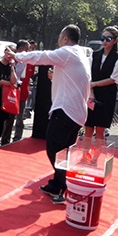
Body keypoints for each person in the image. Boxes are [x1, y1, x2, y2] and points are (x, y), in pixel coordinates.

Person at [8, 24, 91, 204]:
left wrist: (17, 56)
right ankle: (58, 183)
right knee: (63, 151)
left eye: (60, 37)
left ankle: (65, 186)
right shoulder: (80, 55)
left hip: (66, 111)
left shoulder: (67, 52)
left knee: (55, 149)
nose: (58, 41)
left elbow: (42, 56)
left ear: (66, 38)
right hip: (76, 112)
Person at [84, 26, 118, 141]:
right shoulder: (93, 55)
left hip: (107, 96)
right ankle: (84, 156)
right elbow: (88, 75)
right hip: (91, 95)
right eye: (102, 38)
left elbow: (113, 79)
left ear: (115, 40)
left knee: (100, 131)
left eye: (108, 39)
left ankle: (97, 158)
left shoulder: (116, 58)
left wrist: (94, 84)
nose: (104, 41)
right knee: (88, 129)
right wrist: (91, 92)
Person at [13, 40, 35, 142]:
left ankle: (17, 137)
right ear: (19, 49)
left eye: (28, 49)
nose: (27, 51)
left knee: (20, 117)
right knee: (8, 117)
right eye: (25, 49)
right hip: (12, 91)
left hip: (23, 92)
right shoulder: (13, 60)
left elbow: (30, 75)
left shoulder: (30, 62)